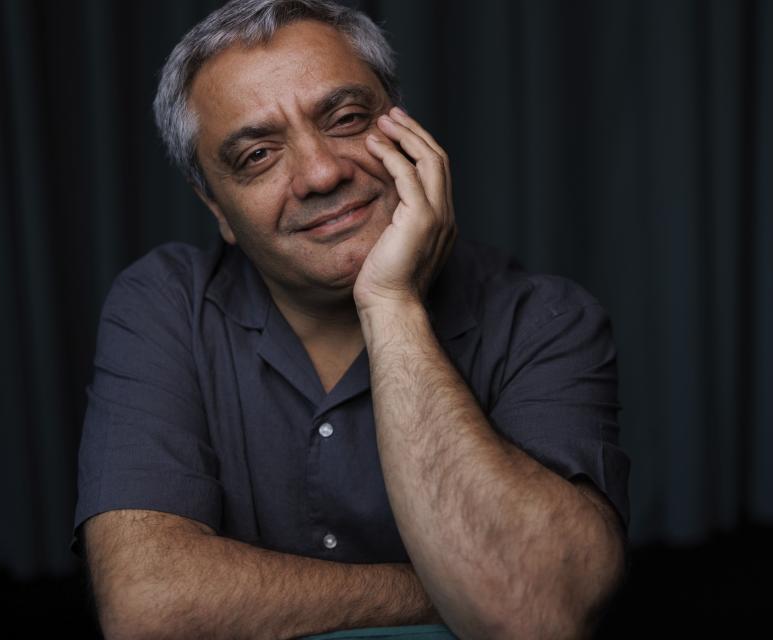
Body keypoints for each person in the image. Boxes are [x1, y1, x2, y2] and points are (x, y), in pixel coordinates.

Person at [72, 1, 631, 638]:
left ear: (407, 129)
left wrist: (393, 304)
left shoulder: (545, 320)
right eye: (257, 155)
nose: (321, 172)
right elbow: (150, 607)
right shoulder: (164, 304)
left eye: (345, 119)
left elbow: (537, 608)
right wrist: (447, 590)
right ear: (217, 208)